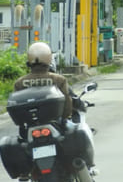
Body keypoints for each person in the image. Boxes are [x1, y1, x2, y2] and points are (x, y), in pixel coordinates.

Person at [13, 42, 95, 172]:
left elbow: (16, 106)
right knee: (78, 133)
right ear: (49, 59)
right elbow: (68, 102)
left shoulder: (20, 82)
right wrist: (65, 117)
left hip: (29, 127)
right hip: (56, 124)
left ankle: (27, 171)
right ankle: (86, 166)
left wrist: (23, 125)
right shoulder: (59, 79)